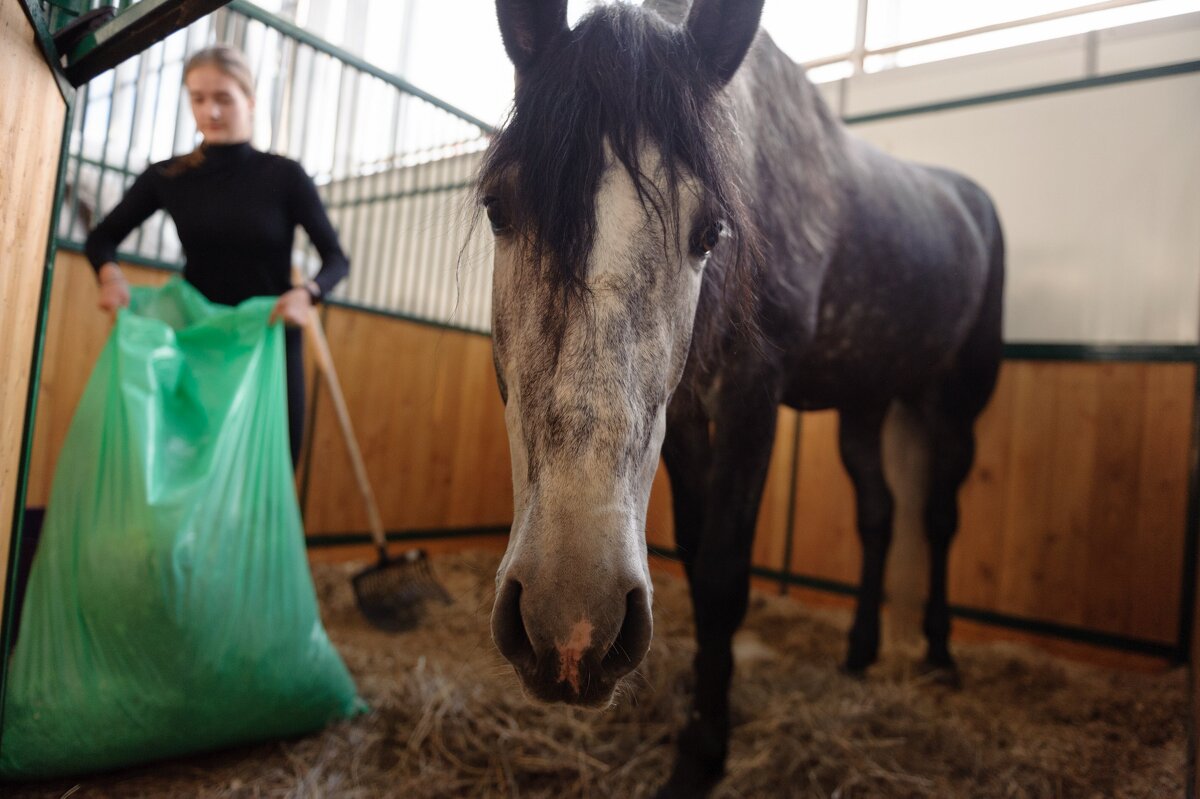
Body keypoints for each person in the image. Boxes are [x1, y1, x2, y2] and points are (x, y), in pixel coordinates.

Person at [85, 45, 348, 467]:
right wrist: (110, 278)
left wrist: (309, 293)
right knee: (191, 464)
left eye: (223, 98)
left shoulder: (284, 176)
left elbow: (336, 258)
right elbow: (101, 239)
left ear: (250, 100)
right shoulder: (168, 177)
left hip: (268, 341)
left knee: (273, 461)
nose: (211, 111)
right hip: (198, 341)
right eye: (198, 98)